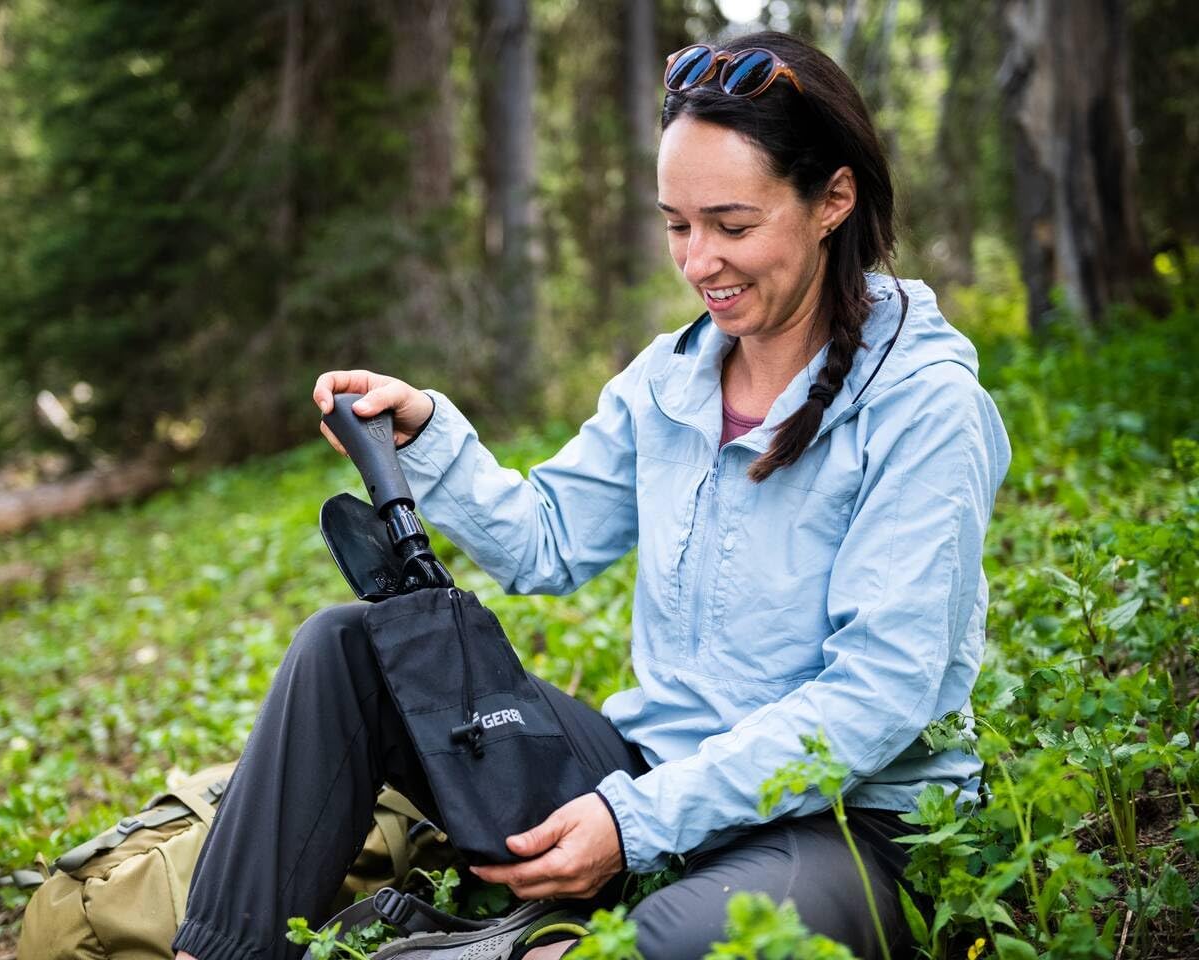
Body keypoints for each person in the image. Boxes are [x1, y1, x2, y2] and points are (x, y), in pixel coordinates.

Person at [173, 30, 1010, 960]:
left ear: (833, 202)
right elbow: (548, 541)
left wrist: (637, 822)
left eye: (733, 226)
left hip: (839, 824)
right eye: (677, 225)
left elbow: (876, 695)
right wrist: (430, 435)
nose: (698, 262)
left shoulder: (923, 406)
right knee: (349, 647)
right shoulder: (671, 378)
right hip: (644, 776)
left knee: (635, 953)